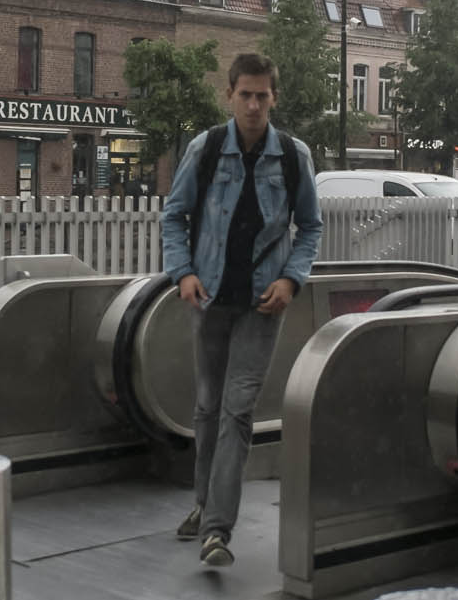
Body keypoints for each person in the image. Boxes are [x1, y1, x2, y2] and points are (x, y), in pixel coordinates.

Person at [159, 52, 322, 568]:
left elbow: (311, 227)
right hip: (208, 299)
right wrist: (182, 272)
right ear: (229, 95)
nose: (253, 104)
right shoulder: (205, 150)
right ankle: (204, 502)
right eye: (245, 94)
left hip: (261, 305)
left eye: (262, 95)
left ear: (274, 98)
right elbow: (174, 216)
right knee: (207, 409)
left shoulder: (293, 157)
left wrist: (290, 280)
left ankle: (215, 531)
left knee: (237, 411)